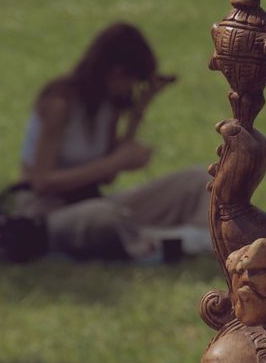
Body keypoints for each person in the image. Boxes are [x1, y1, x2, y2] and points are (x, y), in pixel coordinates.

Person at [15, 23, 211, 261]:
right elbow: (41, 183)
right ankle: (173, 241)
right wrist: (115, 162)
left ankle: (186, 237)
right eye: (130, 80)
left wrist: (138, 112)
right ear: (115, 71)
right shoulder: (59, 103)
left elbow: (107, 177)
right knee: (105, 216)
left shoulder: (108, 106)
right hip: (48, 211)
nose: (129, 88)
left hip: (92, 200)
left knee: (201, 179)